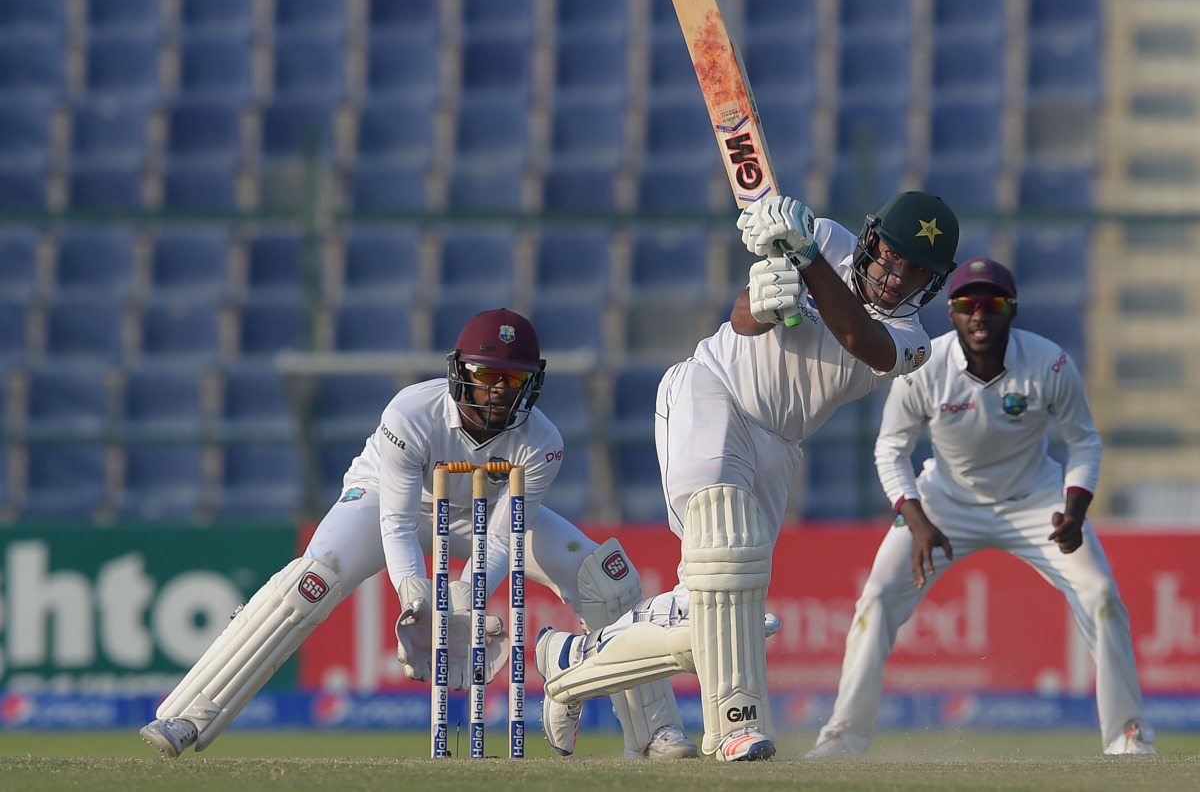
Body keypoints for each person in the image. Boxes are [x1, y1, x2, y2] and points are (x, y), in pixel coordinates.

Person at [140, 308, 697, 761]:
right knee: (312, 579)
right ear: (461, 372)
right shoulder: (412, 413)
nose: (500, 392)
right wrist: (416, 594)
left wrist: (463, 598)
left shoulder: (541, 441)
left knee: (604, 578)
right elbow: (399, 523)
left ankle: (655, 733)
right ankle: (189, 714)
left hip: (479, 514)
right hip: (389, 500)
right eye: (488, 376)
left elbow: (501, 538)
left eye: (515, 380)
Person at [534, 191, 962, 761]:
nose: (895, 276)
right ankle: (735, 725)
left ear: (932, 283)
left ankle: (569, 665)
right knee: (725, 561)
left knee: (710, 605)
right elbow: (741, 319)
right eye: (891, 255)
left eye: (916, 271)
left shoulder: (914, 342)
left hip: (778, 444)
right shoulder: (825, 239)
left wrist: (805, 259)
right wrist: (761, 302)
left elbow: (864, 342)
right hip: (713, 390)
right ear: (871, 239)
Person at [806, 257, 1157, 758]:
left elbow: (1085, 443)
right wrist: (918, 520)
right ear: (950, 312)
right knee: (878, 597)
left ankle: (1128, 736)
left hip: (1037, 503)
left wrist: (1075, 509)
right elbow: (890, 449)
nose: (979, 315)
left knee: (1101, 594)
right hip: (944, 504)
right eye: (967, 304)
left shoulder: (1050, 363)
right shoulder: (924, 364)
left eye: (991, 304)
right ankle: (842, 739)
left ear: (1010, 310)